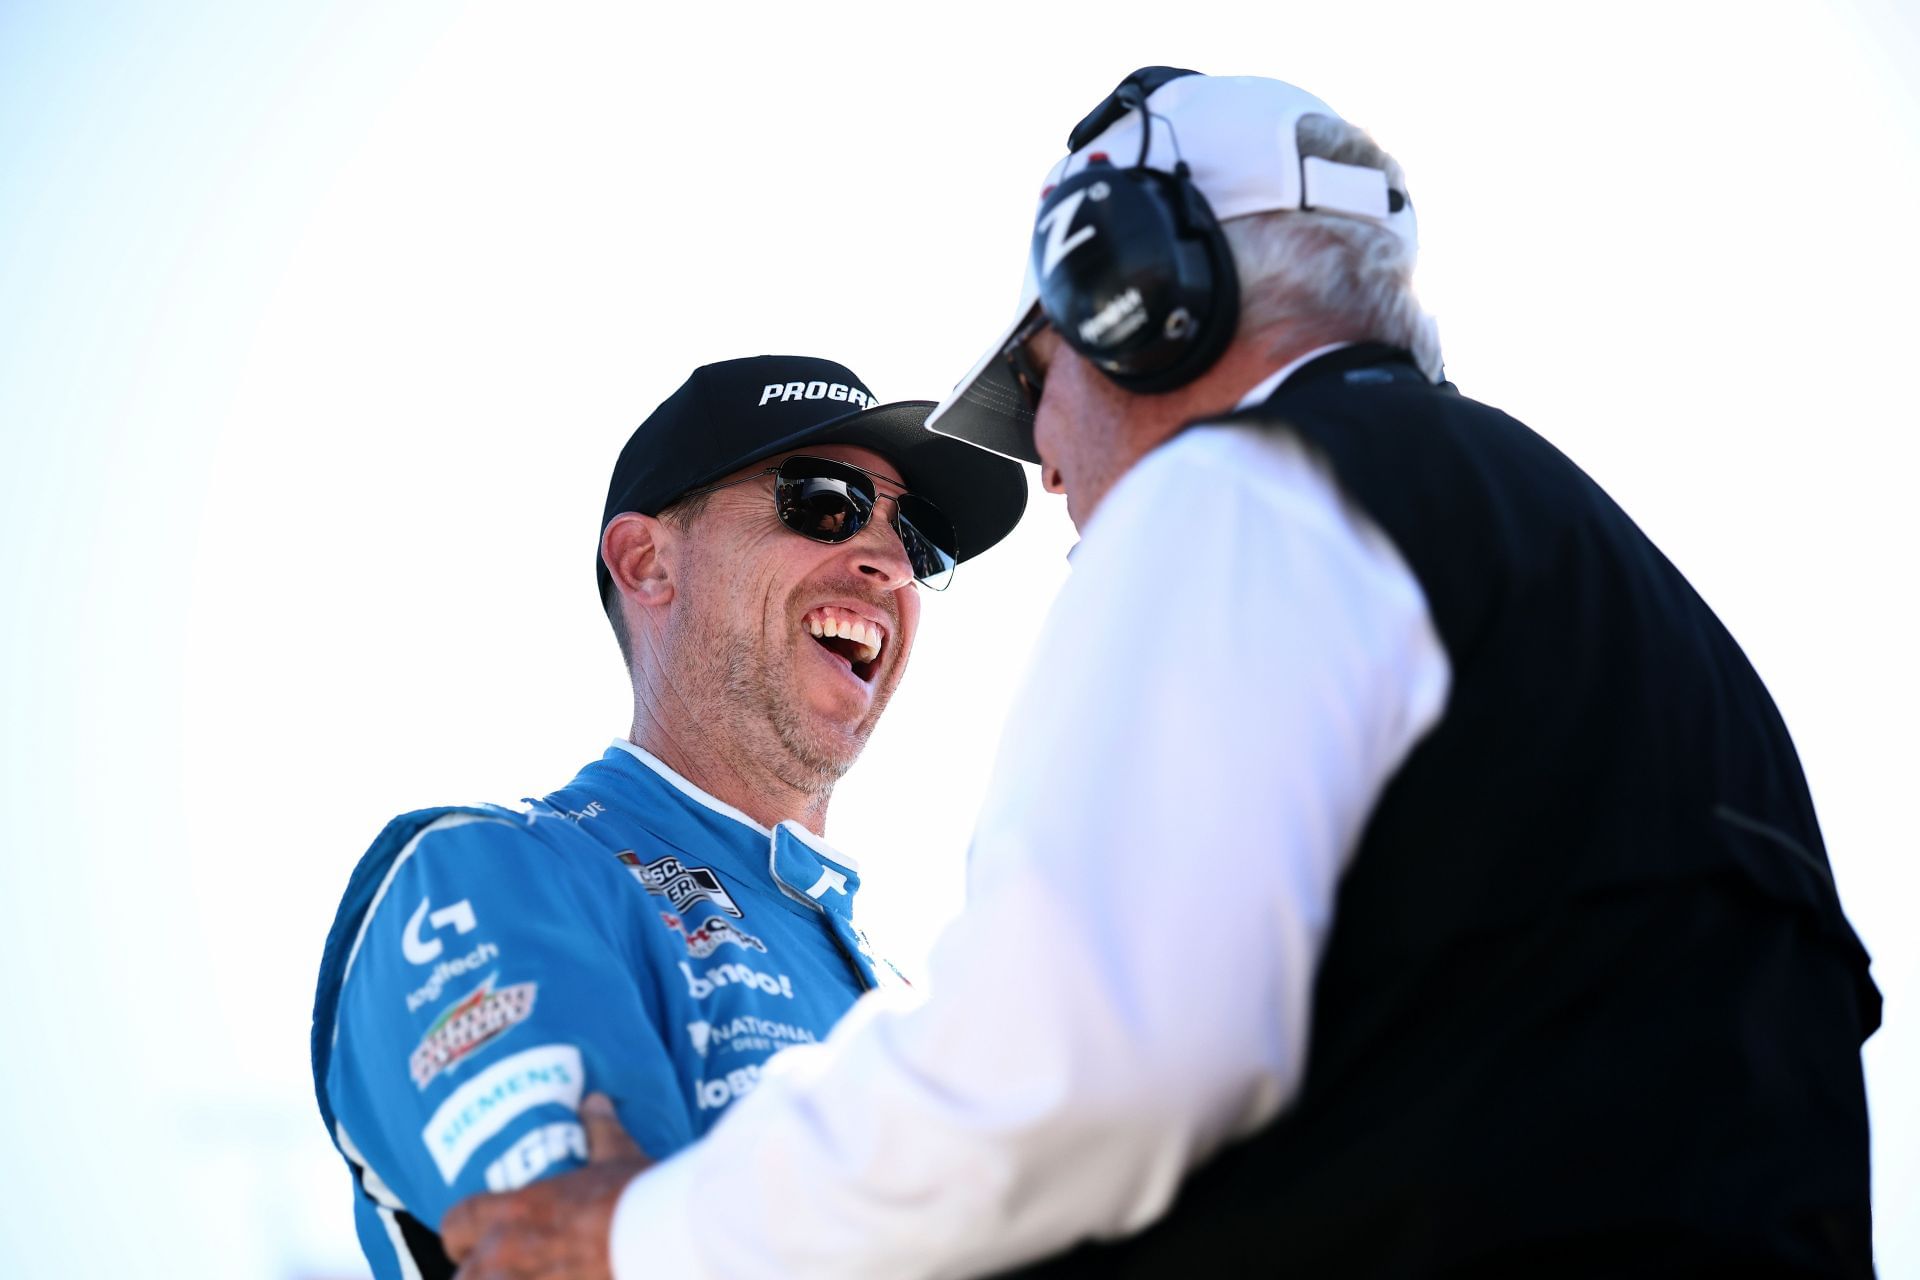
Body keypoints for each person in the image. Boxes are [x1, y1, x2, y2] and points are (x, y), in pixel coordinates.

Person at [441, 70, 1881, 1278]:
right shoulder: (1601, 576)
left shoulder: (1237, 499)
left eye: (1038, 382)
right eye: (823, 507)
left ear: (1139, 296)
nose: (1048, 460)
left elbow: (1070, 1076)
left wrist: (638, 1234)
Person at [308, 354, 1027, 1278]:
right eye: (823, 501)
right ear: (646, 563)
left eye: (920, 539)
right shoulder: (489, 876)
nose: (889, 563)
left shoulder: (905, 1001)